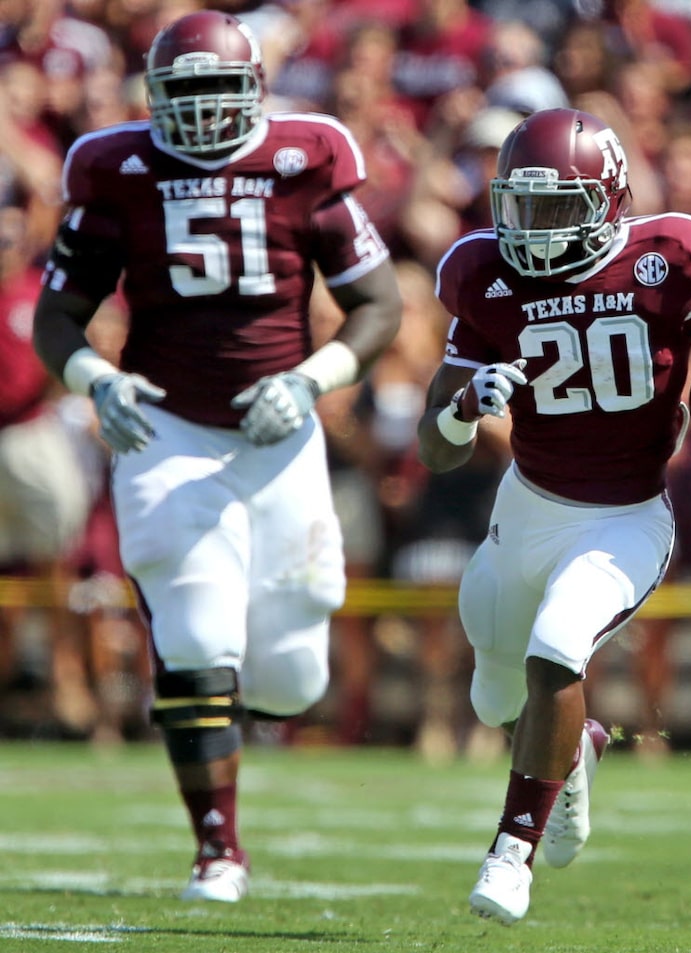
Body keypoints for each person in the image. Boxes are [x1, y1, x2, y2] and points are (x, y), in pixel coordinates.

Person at [32, 9, 401, 903]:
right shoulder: (115, 168)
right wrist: (95, 379)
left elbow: (379, 304)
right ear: (152, 96)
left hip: (281, 433)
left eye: (215, 91)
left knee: (290, 671)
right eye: (181, 93)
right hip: (164, 427)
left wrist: (312, 381)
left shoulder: (306, 156)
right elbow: (57, 315)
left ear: (257, 92)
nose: (198, 114)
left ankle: (243, 728)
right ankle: (217, 849)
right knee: (197, 634)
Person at [416, 107, 691, 926]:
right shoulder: (485, 277)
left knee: (558, 648)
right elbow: (435, 446)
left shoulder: (665, 261)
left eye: (557, 207)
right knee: (499, 697)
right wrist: (463, 408)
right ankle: (581, 746)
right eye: (521, 207)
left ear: (608, 201)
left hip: (625, 518)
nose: (534, 230)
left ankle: (510, 853)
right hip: (524, 508)